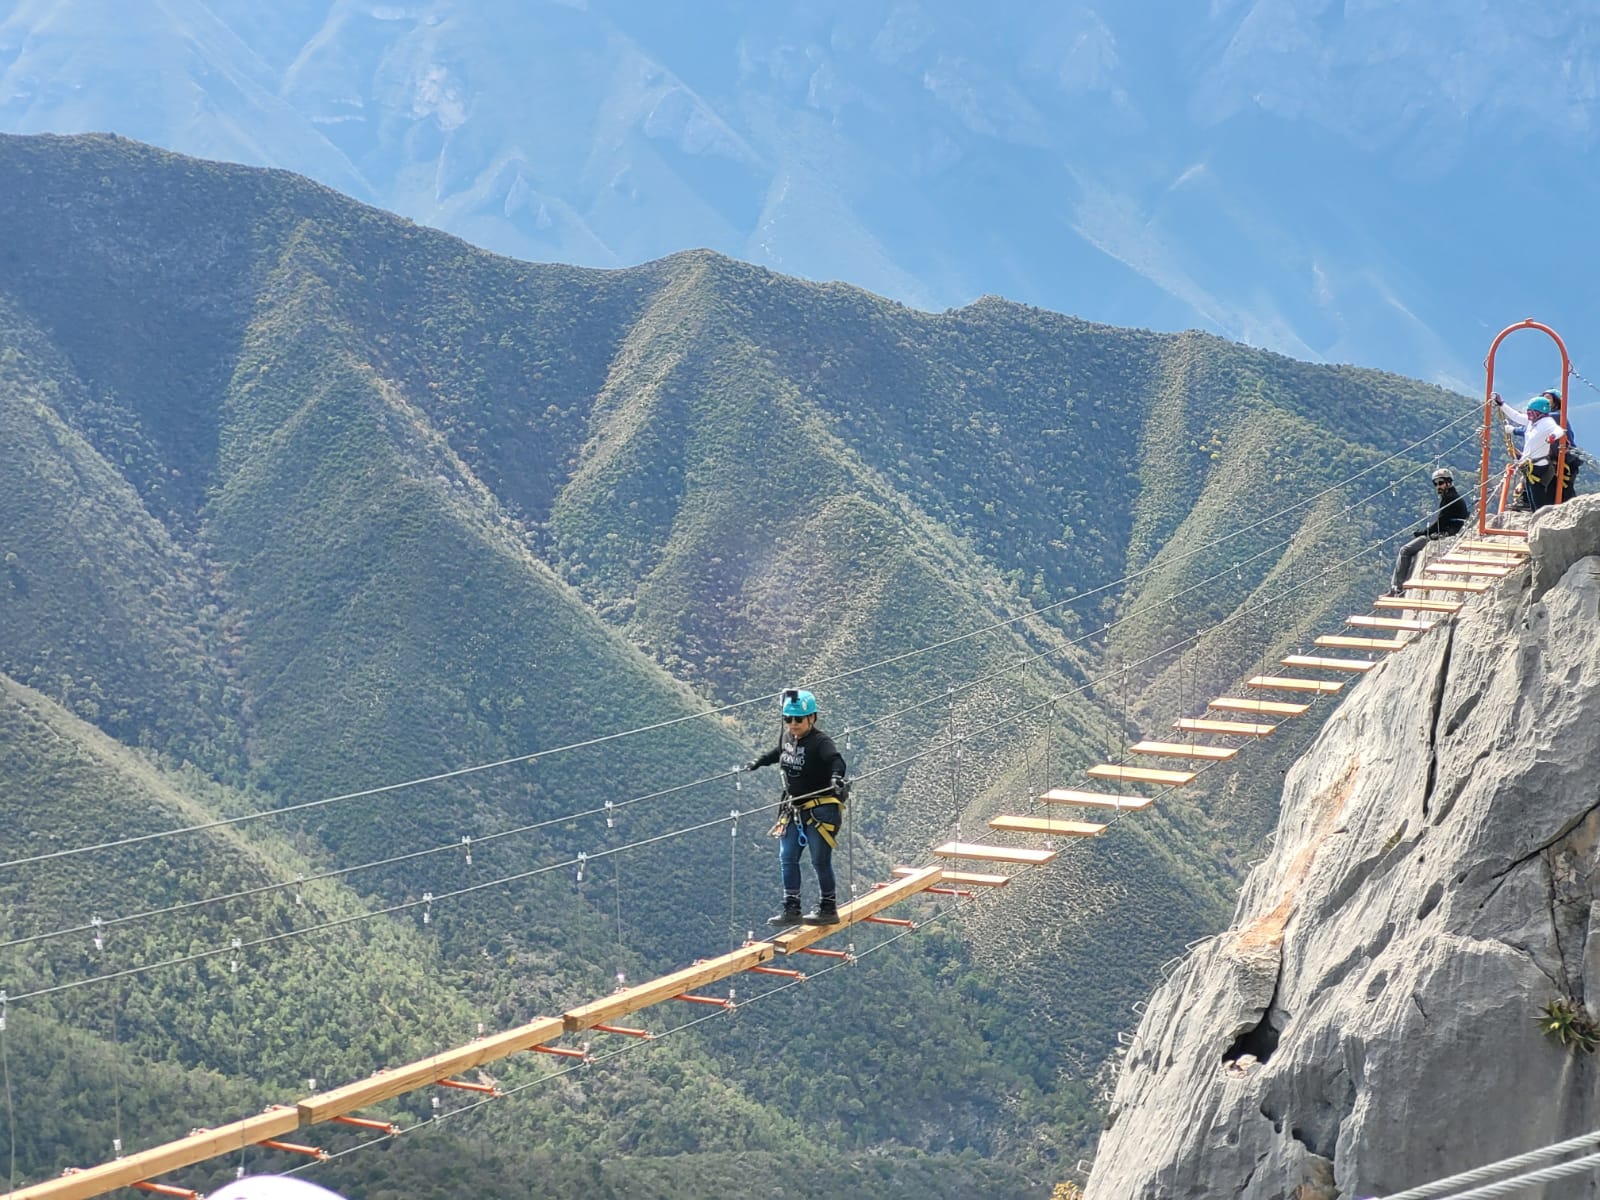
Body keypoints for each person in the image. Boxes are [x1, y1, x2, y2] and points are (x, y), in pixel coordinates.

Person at [745, 688, 848, 927]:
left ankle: (828, 908)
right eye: (787, 719)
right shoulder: (787, 738)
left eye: (798, 719)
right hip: (794, 809)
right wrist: (759, 762)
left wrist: (836, 778)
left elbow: (836, 760)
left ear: (812, 718)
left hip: (819, 810)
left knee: (820, 860)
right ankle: (792, 907)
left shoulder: (821, 742)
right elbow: (779, 753)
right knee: (787, 857)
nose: (792, 724)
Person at [1387, 468, 1470, 596]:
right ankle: (1402, 587)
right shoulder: (1454, 497)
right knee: (1414, 552)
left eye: (1441, 483)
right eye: (1436, 484)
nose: (1438, 486)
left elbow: (1440, 523)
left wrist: (1423, 533)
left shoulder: (1449, 498)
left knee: (1405, 550)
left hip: (1446, 533)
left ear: (1448, 482)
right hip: (1451, 531)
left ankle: (1397, 588)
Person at [1494, 391, 1567, 510]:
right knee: (1532, 495)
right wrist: (1501, 404)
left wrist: (1553, 436)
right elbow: (1516, 416)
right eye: (1529, 412)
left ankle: (1540, 520)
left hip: (1538, 466)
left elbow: (1559, 430)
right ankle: (1536, 517)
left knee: (1537, 498)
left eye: (1532, 412)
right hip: (1529, 465)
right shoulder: (1532, 422)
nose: (1529, 415)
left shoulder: (1547, 422)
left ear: (1540, 412)